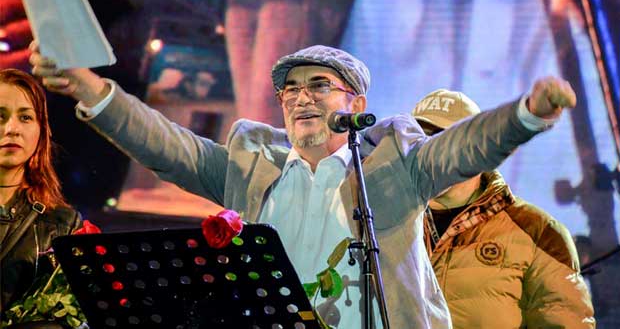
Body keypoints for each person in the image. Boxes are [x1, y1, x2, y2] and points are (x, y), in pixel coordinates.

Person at [30, 43, 576, 328]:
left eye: (319, 85)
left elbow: (464, 148)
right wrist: (91, 90)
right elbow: (165, 145)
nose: (300, 97)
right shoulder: (250, 170)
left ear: (356, 103)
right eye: (290, 89)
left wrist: (526, 115)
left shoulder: (393, 168)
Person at [412, 88, 595, 329]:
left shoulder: (538, 233)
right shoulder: (380, 224)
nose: (431, 153)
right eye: (420, 140)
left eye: (444, 140)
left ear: (480, 150)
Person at [0, 69, 81, 323]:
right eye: (0, 116)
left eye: (26, 117)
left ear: (41, 130)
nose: (12, 129)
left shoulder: (63, 223)